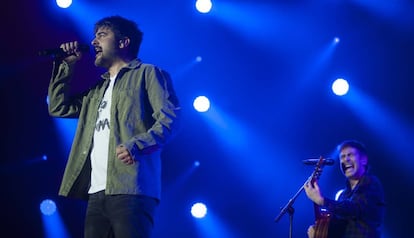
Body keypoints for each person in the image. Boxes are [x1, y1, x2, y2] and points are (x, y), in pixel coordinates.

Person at [47, 15, 180, 238]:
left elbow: (171, 120)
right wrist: (67, 66)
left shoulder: (148, 74)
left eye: (101, 35)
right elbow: (58, 107)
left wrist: (138, 144)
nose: (93, 42)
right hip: (96, 193)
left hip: (131, 188)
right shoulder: (96, 90)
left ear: (123, 42)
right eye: (94, 36)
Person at [304, 140, 386, 238]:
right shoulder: (343, 195)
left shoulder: (371, 183)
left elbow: (354, 208)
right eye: (342, 157)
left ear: (364, 159)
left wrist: (322, 200)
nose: (345, 159)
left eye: (350, 155)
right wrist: (319, 232)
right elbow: (337, 228)